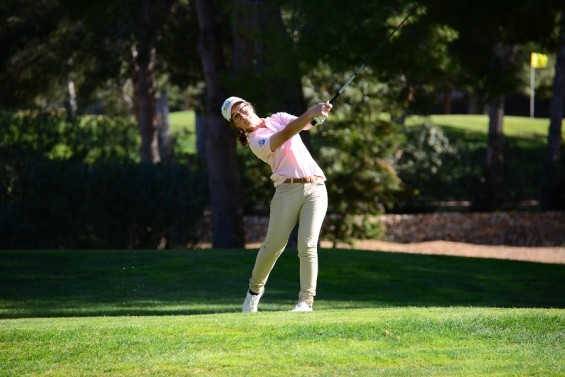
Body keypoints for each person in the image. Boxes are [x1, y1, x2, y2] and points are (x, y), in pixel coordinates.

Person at [221, 96, 333, 312]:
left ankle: (305, 302)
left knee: (307, 245)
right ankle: (254, 292)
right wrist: (311, 112)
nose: (241, 115)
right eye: (236, 116)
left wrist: (319, 115)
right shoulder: (255, 142)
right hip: (287, 191)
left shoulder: (279, 117)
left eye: (242, 108)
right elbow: (286, 134)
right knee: (273, 247)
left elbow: (306, 125)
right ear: (236, 125)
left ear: (250, 106)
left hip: (316, 187)